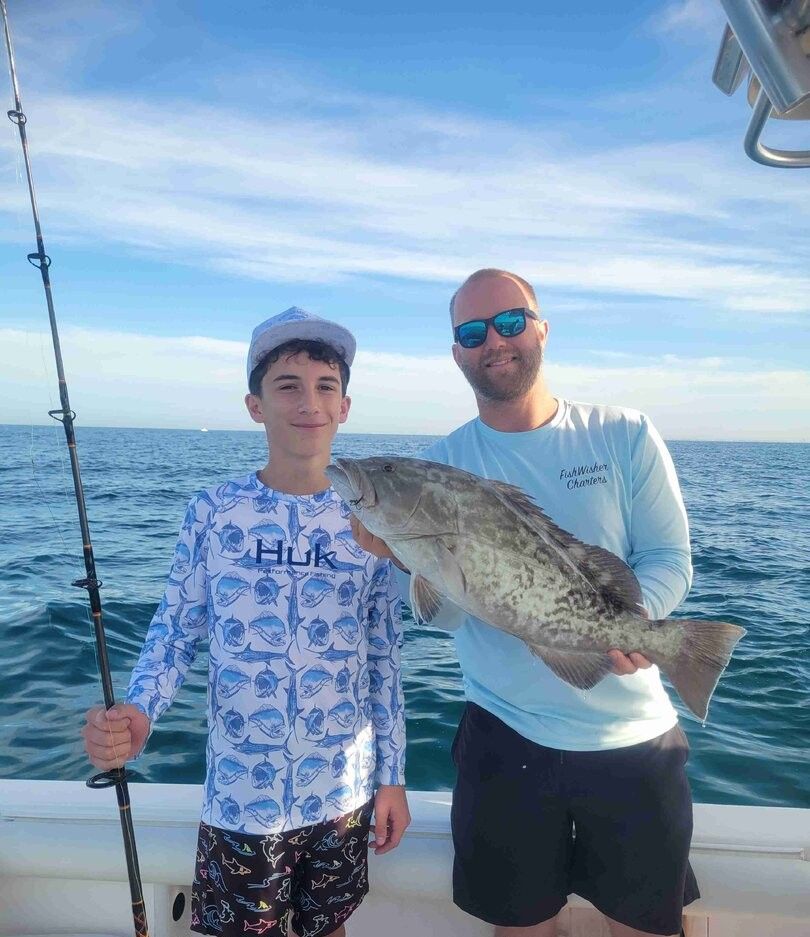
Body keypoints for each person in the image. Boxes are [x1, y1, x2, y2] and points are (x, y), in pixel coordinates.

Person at [351, 269, 699, 937]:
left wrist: (643, 621)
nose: (494, 341)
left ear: (541, 328)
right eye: (472, 331)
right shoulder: (440, 465)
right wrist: (400, 555)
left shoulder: (623, 434)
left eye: (510, 321)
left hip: (634, 744)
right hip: (502, 740)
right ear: (457, 352)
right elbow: (443, 613)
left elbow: (668, 558)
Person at [83, 307, 410, 937]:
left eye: (325, 387)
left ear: (345, 406)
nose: (308, 402)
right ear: (254, 405)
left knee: (329, 928)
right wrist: (140, 712)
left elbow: (383, 657)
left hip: (343, 794)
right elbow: (174, 629)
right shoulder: (214, 511)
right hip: (242, 795)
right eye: (286, 385)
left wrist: (391, 778)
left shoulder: (373, 518)